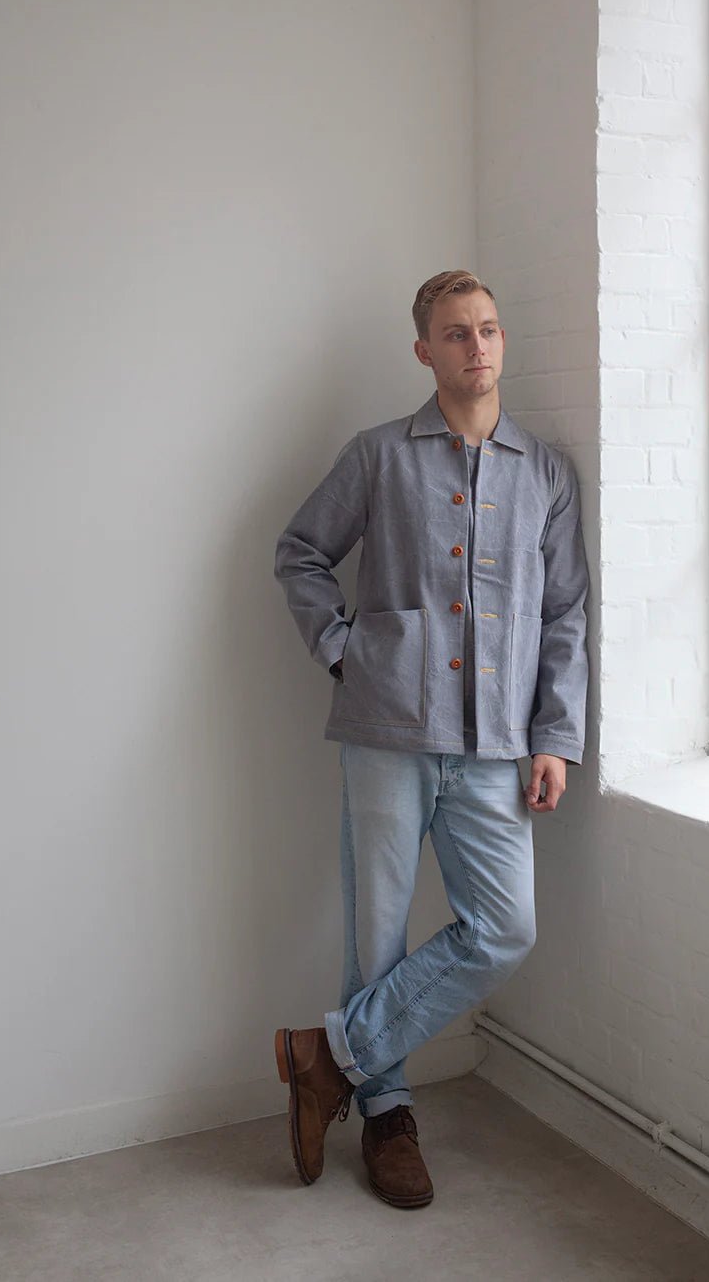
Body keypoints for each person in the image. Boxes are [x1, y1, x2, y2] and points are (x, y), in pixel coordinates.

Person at [273, 269, 589, 1209]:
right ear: (425, 350)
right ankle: (388, 1116)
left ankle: (328, 1057)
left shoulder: (546, 475)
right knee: (376, 932)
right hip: (386, 733)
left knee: (505, 928)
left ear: (503, 341)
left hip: (497, 745)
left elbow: (565, 614)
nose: (476, 346)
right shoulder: (379, 456)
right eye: (456, 333)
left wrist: (554, 736)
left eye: (488, 329)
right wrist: (343, 653)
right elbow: (300, 552)